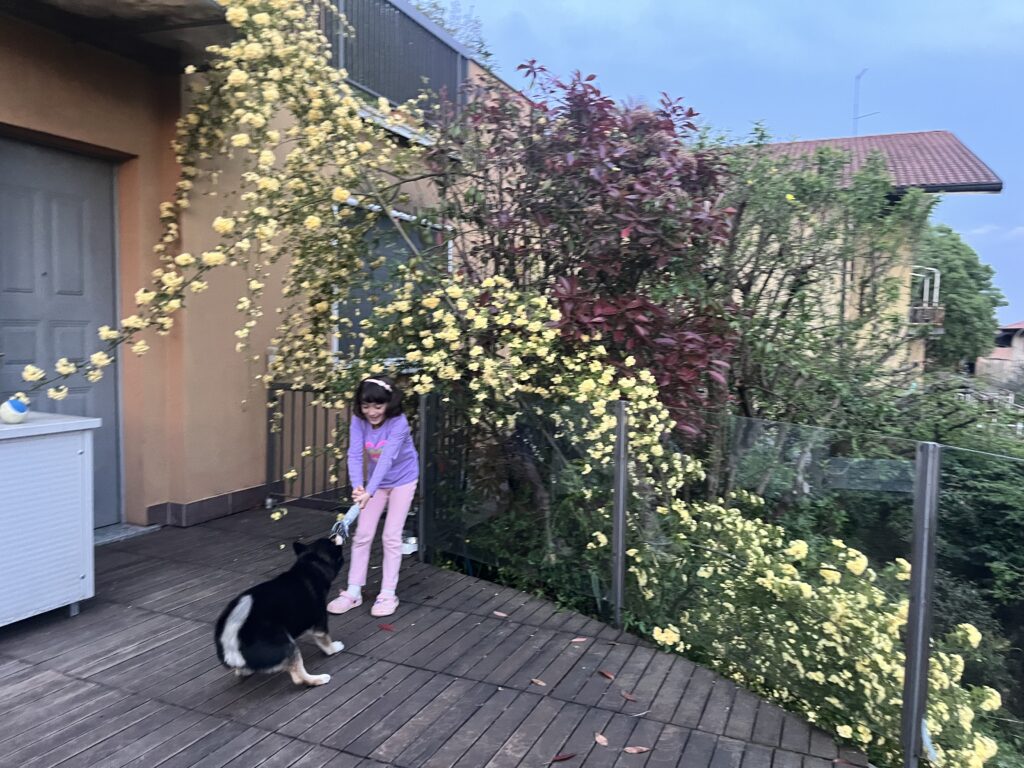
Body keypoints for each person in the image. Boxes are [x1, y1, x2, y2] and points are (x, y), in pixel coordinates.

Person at [327, 376, 419, 618]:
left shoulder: (399, 423)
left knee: (391, 536)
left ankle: (388, 594)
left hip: (403, 480)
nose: (371, 412)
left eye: (378, 406)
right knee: (363, 535)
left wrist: (369, 491)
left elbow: (386, 459)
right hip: (374, 483)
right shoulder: (359, 421)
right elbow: (355, 454)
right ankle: (353, 591)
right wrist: (359, 487)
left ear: (389, 403)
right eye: (366, 406)